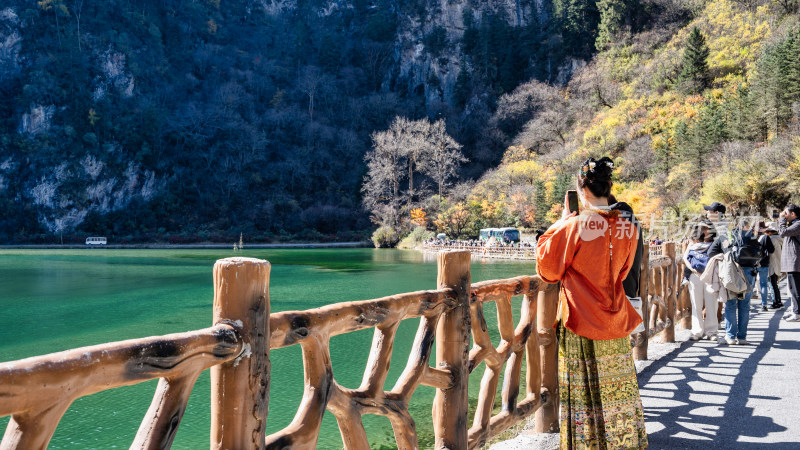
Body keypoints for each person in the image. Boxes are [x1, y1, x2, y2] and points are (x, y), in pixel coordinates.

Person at [536, 157, 647, 449]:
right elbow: (623, 272)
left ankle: (587, 443)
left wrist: (561, 219)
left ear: (581, 189)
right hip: (615, 315)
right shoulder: (627, 224)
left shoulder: (576, 225)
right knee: (616, 386)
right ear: (607, 187)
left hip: (582, 315)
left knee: (582, 387)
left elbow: (548, 269)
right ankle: (623, 441)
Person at [683, 226, 717, 340]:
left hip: (695, 276)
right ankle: (711, 332)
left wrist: (692, 270)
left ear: (695, 239)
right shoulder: (711, 246)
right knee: (711, 304)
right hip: (709, 276)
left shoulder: (692, 246)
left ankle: (697, 332)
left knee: (696, 304)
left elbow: (685, 258)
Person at [779, 204, 800, 322]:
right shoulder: (794, 224)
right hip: (792, 263)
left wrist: (782, 219)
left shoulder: (798, 224)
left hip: (795, 262)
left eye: (786, 213)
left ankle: (797, 313)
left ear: (793, 214)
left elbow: (782, 232)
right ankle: (795, 311)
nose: (784, 214)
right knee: (793, 289)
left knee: (796, 289)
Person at [756, 221, 775, 312]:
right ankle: (764, 305)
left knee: (750, 284)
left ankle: (746, 305)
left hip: (751, 263)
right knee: (764, 284)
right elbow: (771, 250)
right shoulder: (766, 237)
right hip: (763, 263)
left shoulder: (751, 236)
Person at [765, 223, 784, 309]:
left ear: (769, 232)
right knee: (775, 285)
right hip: (778, 264)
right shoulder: (780, 239)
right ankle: (779, 301)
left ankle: (776, 302)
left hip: (772, 265)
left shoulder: (771, 240)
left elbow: (769, 253)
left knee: (772, 285)